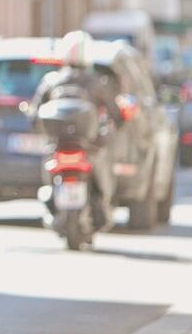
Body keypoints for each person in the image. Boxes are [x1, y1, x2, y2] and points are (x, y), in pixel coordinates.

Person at [32, 31, 124, 230]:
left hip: (59, 145)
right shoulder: (97, 82)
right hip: (89, 145)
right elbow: (114, 111)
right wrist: (116, 123)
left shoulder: (52, 80)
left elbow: (34, 112)